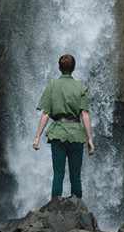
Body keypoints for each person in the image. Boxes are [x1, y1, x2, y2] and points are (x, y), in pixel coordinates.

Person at [32, 54, 94, 199]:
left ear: (59, 68)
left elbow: (46, 114)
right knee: (75, 177)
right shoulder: (81, 88)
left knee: (58, 175)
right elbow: (84, 114)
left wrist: (37, 137)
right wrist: (90, 139)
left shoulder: (52, 86)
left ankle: (54, 208)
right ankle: (78, 210)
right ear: (74, 68)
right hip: (76, 135)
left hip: (58, 133)